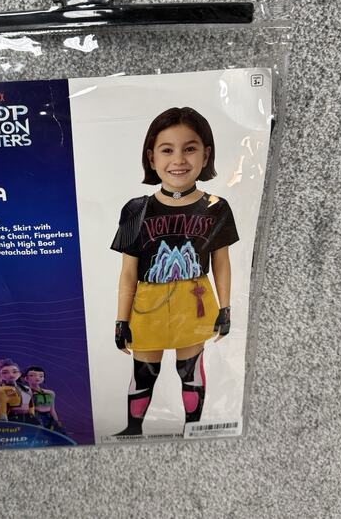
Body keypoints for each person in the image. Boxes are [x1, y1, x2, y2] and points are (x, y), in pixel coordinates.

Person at [110, 107, 239, 435]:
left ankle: (192, 428)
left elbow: (221, 263)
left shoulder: (216, 207)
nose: (178, 159)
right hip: (148, 304)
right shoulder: (136, 209)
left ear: (205, 154)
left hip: (194, 302)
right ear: (151, 157)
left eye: (189, 148)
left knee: (190, 370)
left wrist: (225, 309)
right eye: (167, 150)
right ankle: (133, 429)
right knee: (144, 372)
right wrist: (121, 320)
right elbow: (128, 272)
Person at [0, 359, 40, 425]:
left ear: (19, 374)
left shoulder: (26, 389)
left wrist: (33, 419)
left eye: (15, 372)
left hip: (30, 420)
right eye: (5, 372)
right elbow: (0, 412)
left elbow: (31, 407)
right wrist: (4, 426)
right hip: (13, 421)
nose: (11, 375)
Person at [24, 366, 66, 434]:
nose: (37, 378)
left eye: (41, 376)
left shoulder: (50, 393)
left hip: (49, 417)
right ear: (26, 378)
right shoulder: (26, 392)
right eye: (32, 375)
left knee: (58, 433)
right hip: (36, 416)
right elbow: (28, 409)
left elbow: (52, 409)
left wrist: (56, 421)